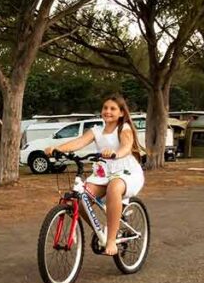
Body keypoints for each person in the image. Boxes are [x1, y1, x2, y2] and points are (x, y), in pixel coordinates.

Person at [45, 94, 145, 256]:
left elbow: (127, 146)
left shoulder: (124, 128)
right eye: (105, 108)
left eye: (113, 109)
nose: (108, 111)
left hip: (126, 172)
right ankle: (100, 231)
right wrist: (57, 149)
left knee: (114, 187)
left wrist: (116, 153)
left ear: (121, 113)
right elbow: (78, 142)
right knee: (79, 198)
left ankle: (111, 239)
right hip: (103, 173)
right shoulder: (96, 131)